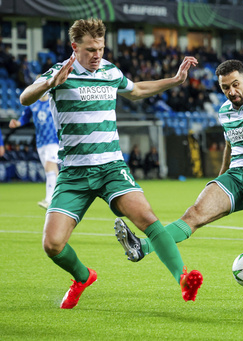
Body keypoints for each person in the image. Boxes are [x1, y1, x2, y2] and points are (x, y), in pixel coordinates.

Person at [19, 18, 202, 309]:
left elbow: (137, 90)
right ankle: (82, 277)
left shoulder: (109, 71)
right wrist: (49, 84)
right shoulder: (59, 73)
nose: (97, 55)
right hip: (74, 174)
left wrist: (175, 80)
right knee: (52, 245)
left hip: (111, 168)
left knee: (147, 218)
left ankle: (182, 278)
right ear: (74, 47)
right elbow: (25, 97)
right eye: (91, 49)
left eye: (101, 49)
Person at [115, 59, 243, 295]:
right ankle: (142, 247)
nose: (231, 92)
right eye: (225, 87)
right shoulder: (225, 110)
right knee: (193, 215)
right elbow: (230, 143)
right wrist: (220, 178)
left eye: (235, 85)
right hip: (235, 175)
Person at [9, 90, 59, 209]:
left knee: (49, 166)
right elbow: (25, 118)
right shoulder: (33, 104)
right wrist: (17, 123)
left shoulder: (54, 101)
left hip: (54, 140)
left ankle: (49, 200)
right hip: (41, 143)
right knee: (53, 171)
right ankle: (58, 199)